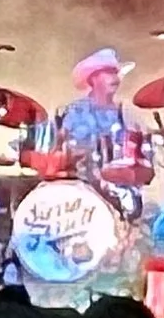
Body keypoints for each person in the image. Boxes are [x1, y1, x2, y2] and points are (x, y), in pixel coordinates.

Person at [55, 48, 147, 211]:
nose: (115, 78)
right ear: (93, 78)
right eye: (108, 73)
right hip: (82, 193)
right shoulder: (77, 111)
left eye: (115, 73)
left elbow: (135, 156)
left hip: (119, 193)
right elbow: (65, 150)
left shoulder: (124, 113)